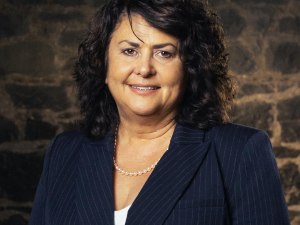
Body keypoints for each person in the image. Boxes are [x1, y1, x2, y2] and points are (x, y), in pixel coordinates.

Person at [29, 0, 290, 224]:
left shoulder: (240, 151)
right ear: (104, 65)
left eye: (164, 53)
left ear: (191, 68)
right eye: (129, 51)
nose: (144, 69)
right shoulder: (63, 152)